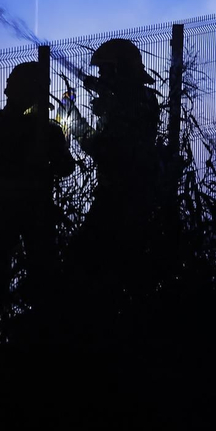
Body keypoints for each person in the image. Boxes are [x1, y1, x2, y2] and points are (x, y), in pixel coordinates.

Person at [0, 61, 74, 350]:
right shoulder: (47, 132)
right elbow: (67, 167)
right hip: (35, 213)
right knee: (43, 276)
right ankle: (44, 341)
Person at [69, 38, 166, 319]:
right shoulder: (145, 99)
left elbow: (101, 149)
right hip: (140, 194)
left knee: (84, 259)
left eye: (104, 71)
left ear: (117, 71)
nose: (99, 76)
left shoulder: (124, 106)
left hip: (118, 198)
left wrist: (72, 117)